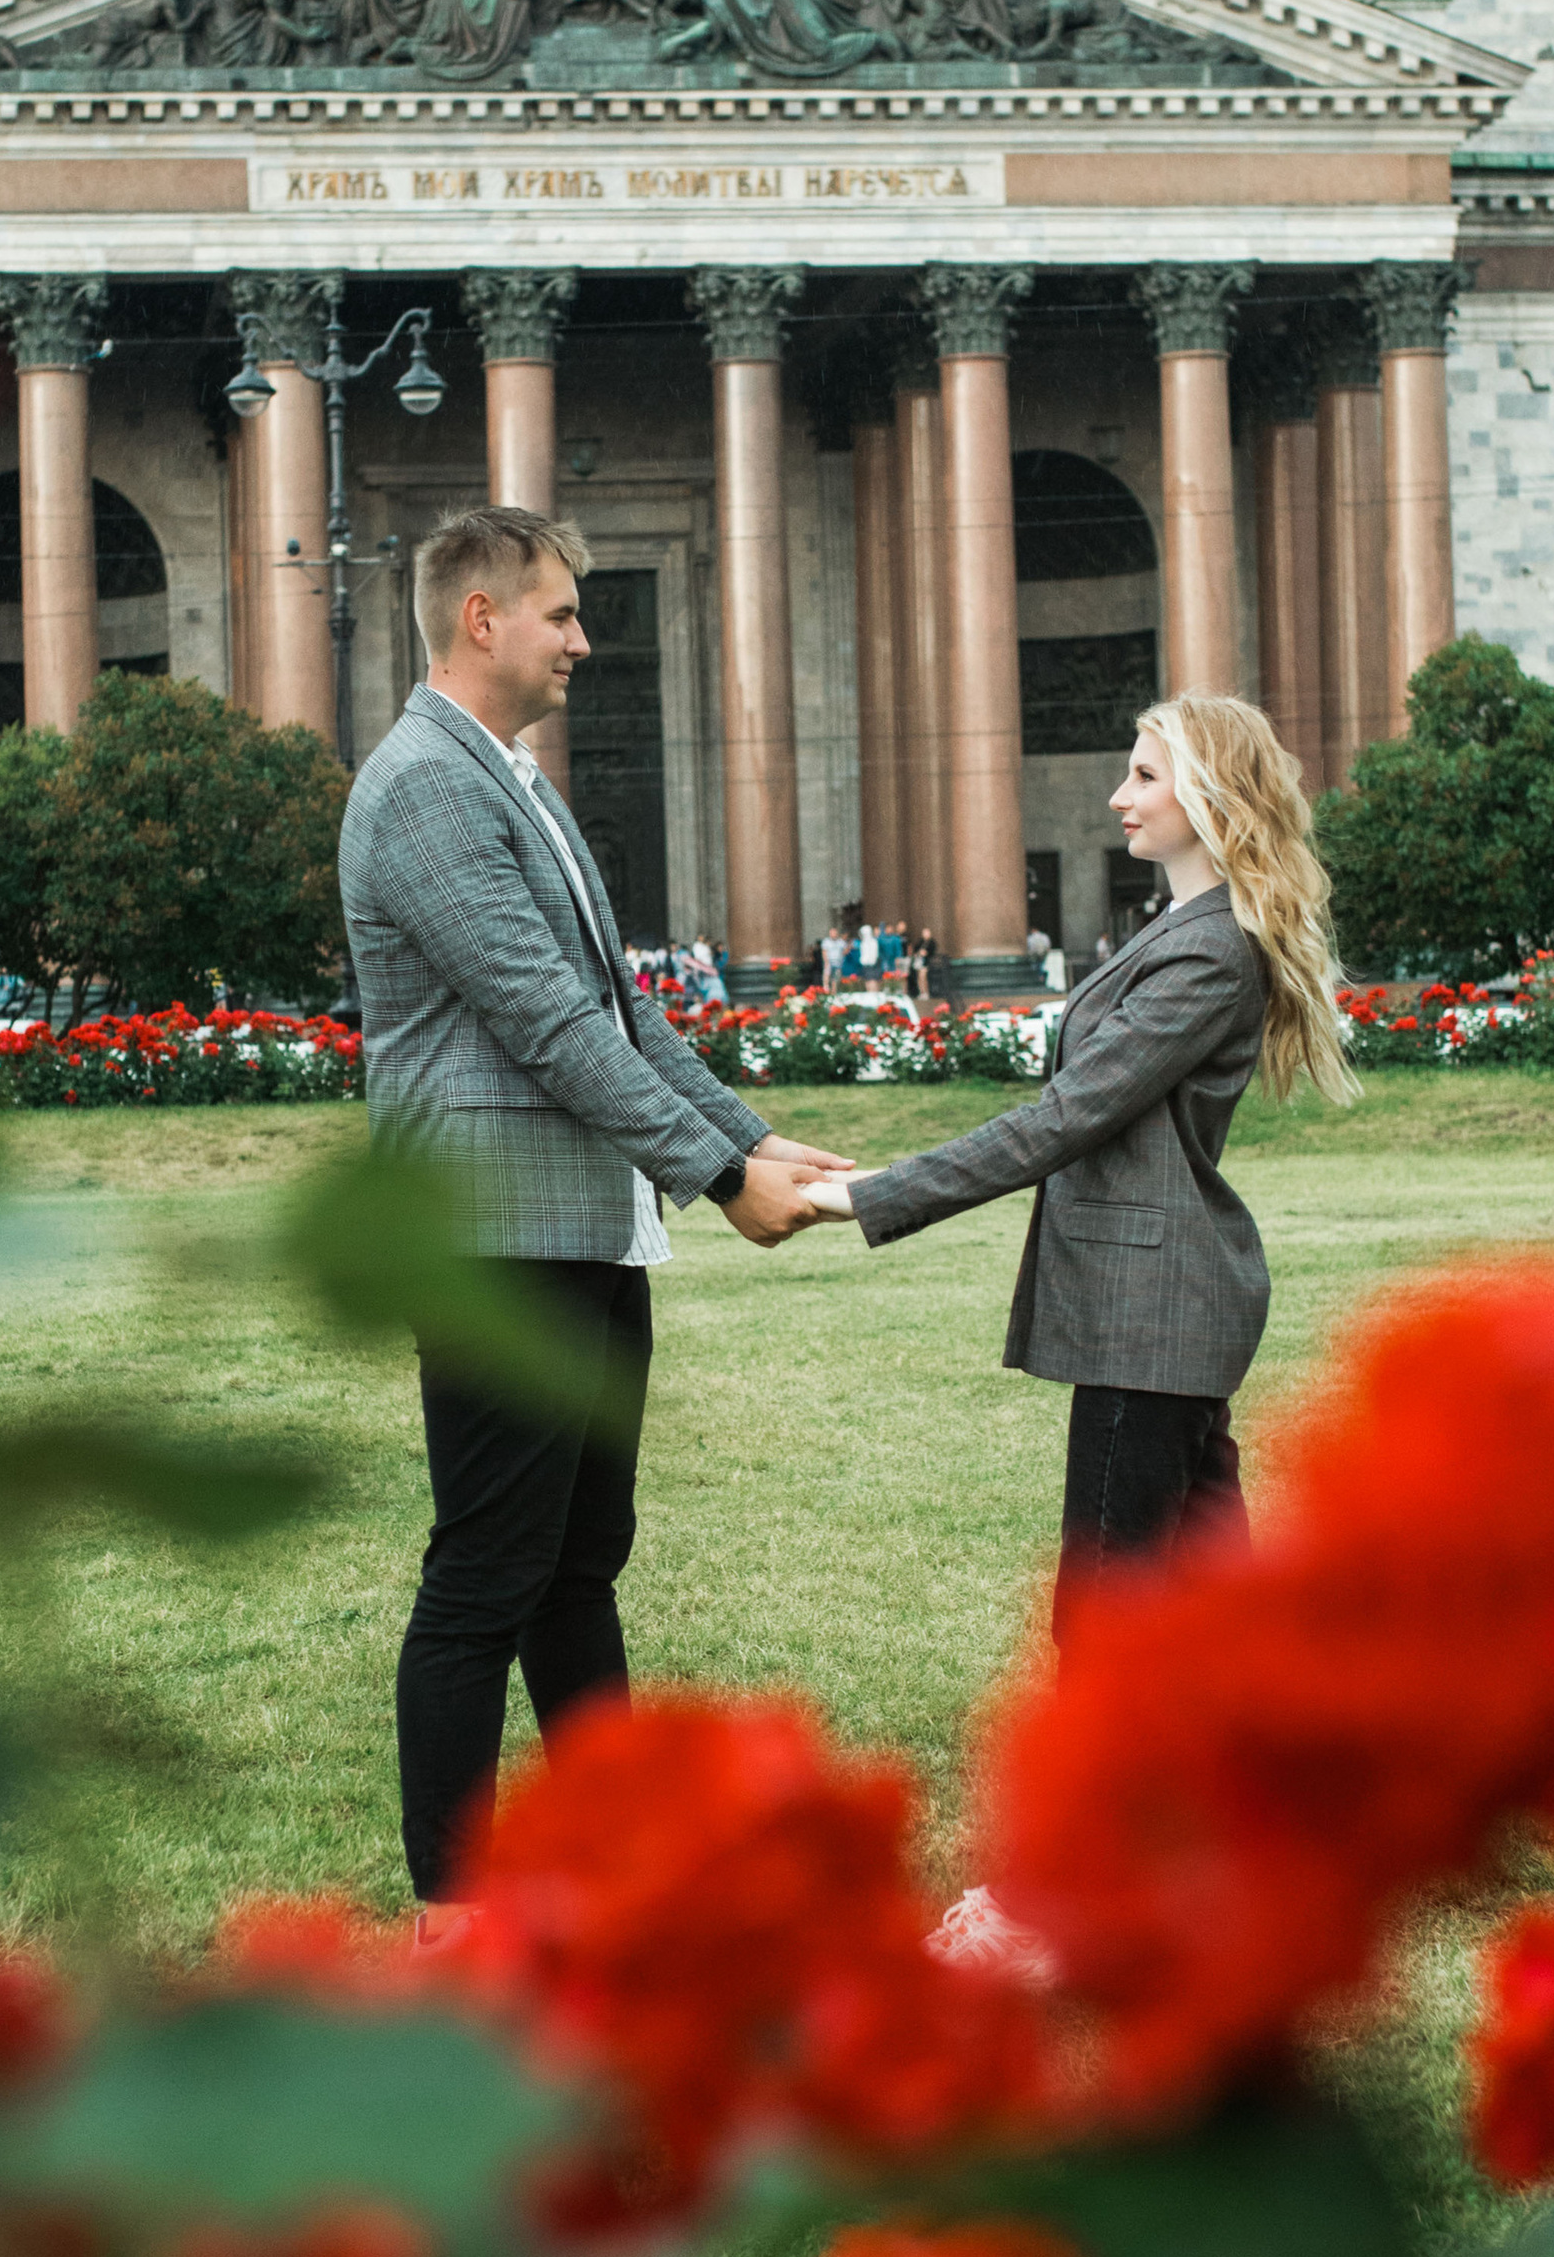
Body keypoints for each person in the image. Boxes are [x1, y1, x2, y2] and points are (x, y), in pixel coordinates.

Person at [338, 507, 845, 1926]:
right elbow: (549, 1026)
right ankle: (451, 1913)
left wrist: (748, 1136)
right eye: (561, 613)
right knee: (485, 1577)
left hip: (576, 1229)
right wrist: (717, 1176)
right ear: (481, 618)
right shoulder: (426, 786)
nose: (583, 638)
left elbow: (622, 1015)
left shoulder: (518, 783)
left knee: (575, 1567)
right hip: (494, 1238)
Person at [798, 695, 1356, 1636]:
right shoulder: (1186, 928)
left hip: (1156, 1310)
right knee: (1227, 1610)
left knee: (1103, 1612)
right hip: (1164, 1304)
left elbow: (1064, 1121)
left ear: (1211, 796)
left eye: (1144, 776)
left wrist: (872, 1194)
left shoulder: (1210, 951)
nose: (1116, 798)